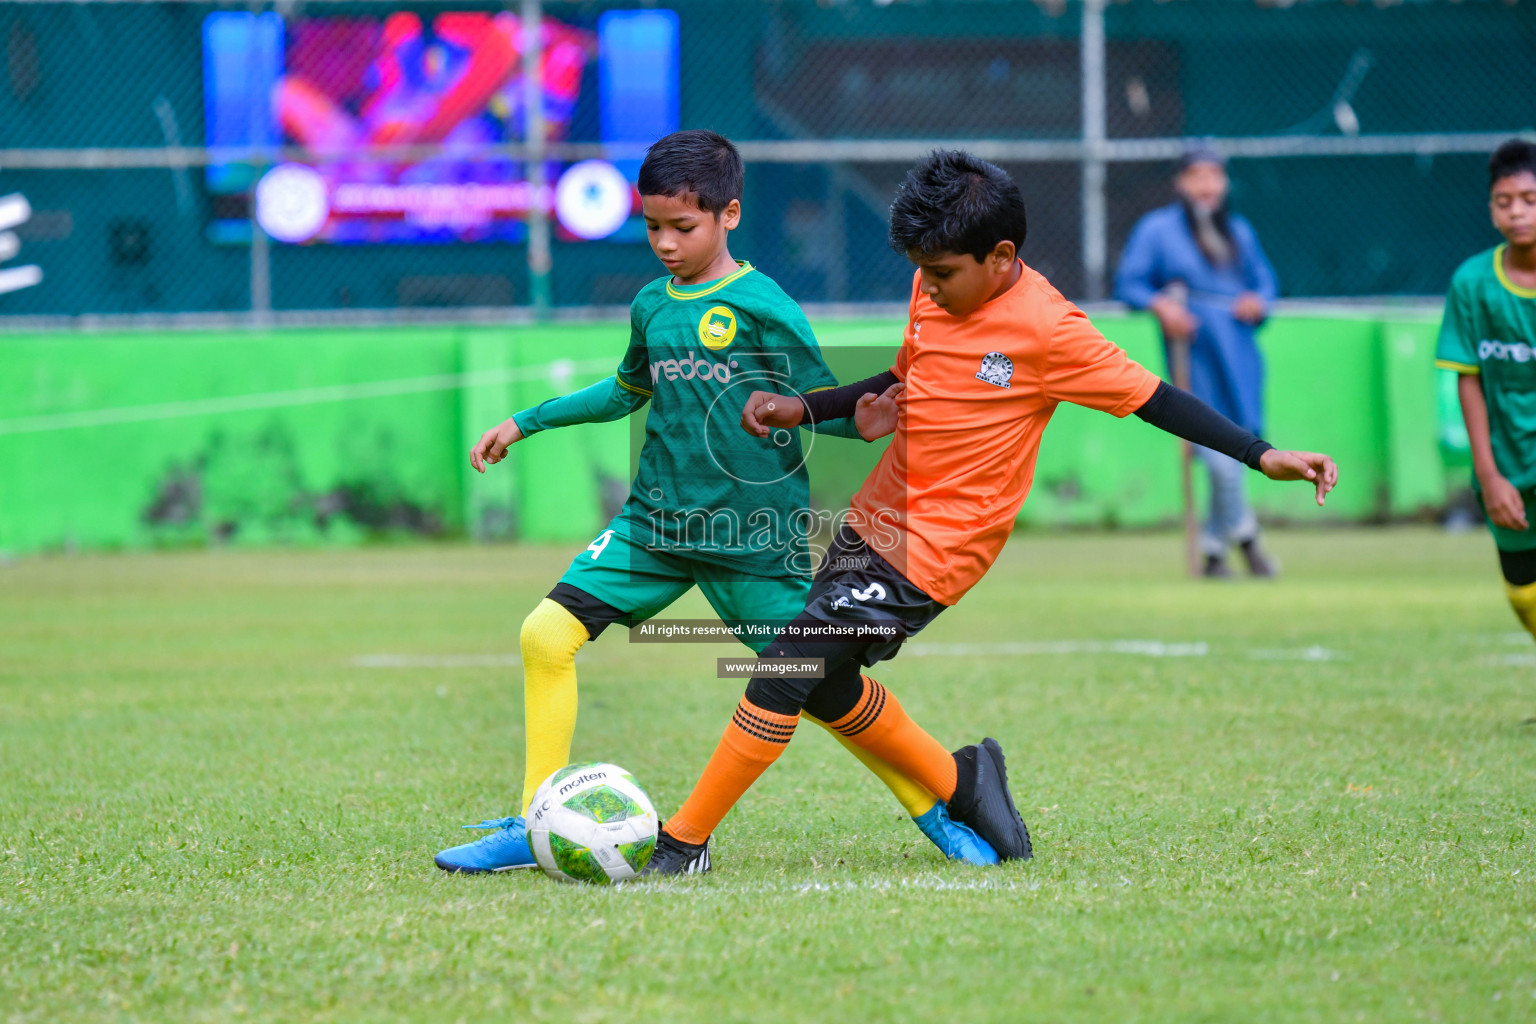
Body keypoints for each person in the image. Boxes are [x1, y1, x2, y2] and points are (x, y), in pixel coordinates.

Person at [642, 150, 1338, 876]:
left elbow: (1159, 399)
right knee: (823, 683)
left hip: (935, 552)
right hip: (870, 525)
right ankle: (962, 780)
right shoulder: (931, 284)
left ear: (1001, 257)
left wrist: (1262, 455)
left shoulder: (1051, 331)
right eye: (925, 273)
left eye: (944, 275)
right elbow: (911, 373)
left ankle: (683, 841)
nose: (930, 289)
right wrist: (806, 408)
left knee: (787, 666)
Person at [432, 130, 996, 874]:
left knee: (823, 688)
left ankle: (935, 811)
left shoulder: (764, 306)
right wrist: (525, 421)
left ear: (729, 215)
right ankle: (536, 818)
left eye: (683, 227)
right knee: (545, 634)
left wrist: (864, 423)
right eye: (652, 226)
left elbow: (823, 401)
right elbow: (624, 391)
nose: (665, 243)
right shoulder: (651, 306)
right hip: (656, 526)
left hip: (751, 540)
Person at [1115, 146, 1280, 578]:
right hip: (1195, 362)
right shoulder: (1156, 231)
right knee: (1218, 455)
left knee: (1239, 448)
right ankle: (1248, 538)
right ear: (1180, 182)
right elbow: (1130, 283)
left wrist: (1256, 302)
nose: (1207, 185)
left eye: (1215, 176)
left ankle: (1212, 552)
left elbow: (1266, 284)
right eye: (1198, 176)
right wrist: (1161, 306)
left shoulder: (1239, 233)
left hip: (1240, 361)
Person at [1437, 139, 1536, 642]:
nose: (1517, 212)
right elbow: (1468, 378)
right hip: (1509, 465)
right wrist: (1488, 474)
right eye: (1504, 201)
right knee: (1523, 593)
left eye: (1529, 199)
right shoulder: (1473, 282)